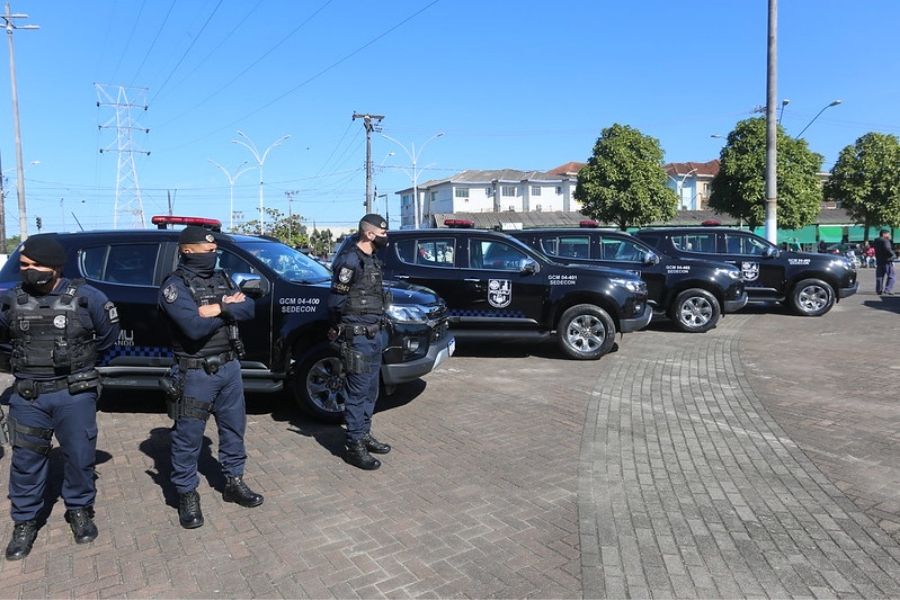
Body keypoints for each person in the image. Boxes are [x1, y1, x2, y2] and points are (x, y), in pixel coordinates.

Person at [0, 233, 120, 560]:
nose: (26, 270)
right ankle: (24, 522)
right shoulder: (9, 300)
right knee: (25, 461)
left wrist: (80, 362)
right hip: (28, 396)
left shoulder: (88, 298)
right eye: (22, 265)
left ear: (53, 266)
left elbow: (108, 339)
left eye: (32, 265)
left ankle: (79, 510)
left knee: (80, 457)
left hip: (74, 392)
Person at [158, 226, 263, 529]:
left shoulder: (222, 278)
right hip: (195, 372)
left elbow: (250, 308)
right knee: (188, 437)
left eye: (214, 250)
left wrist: (218, 307)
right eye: (208, 251)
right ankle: (186, 493)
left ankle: (234, 480)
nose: (213, 254)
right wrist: (230, 307)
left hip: (229, 368)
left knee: (233, 429)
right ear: (188, 251)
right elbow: (193, 328)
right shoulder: (174, 287)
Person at [328, 214, 392, 470]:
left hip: (374, 334)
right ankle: (354, 444)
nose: (386, 237)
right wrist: (338, 329)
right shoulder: (349, 261)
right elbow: (335, 302)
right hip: (357, 336)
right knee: (357, 392)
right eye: (383, 233)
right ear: (369, 234)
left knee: (370, 390)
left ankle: (364, 433)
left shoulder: (372, 258)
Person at [873, 229, 896, 296]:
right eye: (888, 234)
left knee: (879, 276)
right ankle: (887, 290)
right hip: (887, 260)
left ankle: (879, 290)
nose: (889, 235)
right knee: (891, 276)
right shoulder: (885, 241)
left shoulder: (876, 241)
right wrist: (893, 255)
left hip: (879, 260)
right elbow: (887, 248)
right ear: (884, 234)